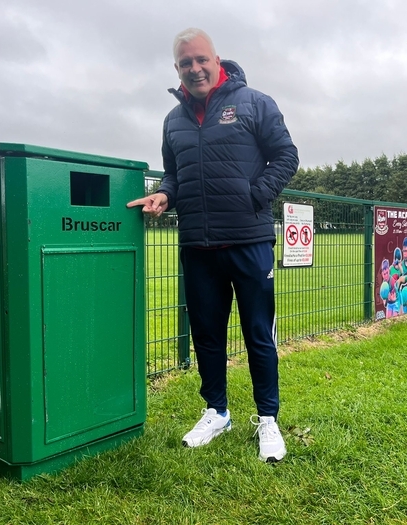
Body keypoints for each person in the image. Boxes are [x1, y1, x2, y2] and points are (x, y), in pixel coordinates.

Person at [127, 28, 299, 462]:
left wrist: (255, 196)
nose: (195, 68)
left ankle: (267, 419)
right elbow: (174, 176)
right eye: (186, 63)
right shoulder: (173, 120)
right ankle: (217, 411)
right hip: (198, 245)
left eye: (201, 60)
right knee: (206, 335)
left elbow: (286, 156)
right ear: (177, 69)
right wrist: (165, 195)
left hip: (249, 240)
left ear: (216, 59)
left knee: (258, 334)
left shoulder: (255, 103)